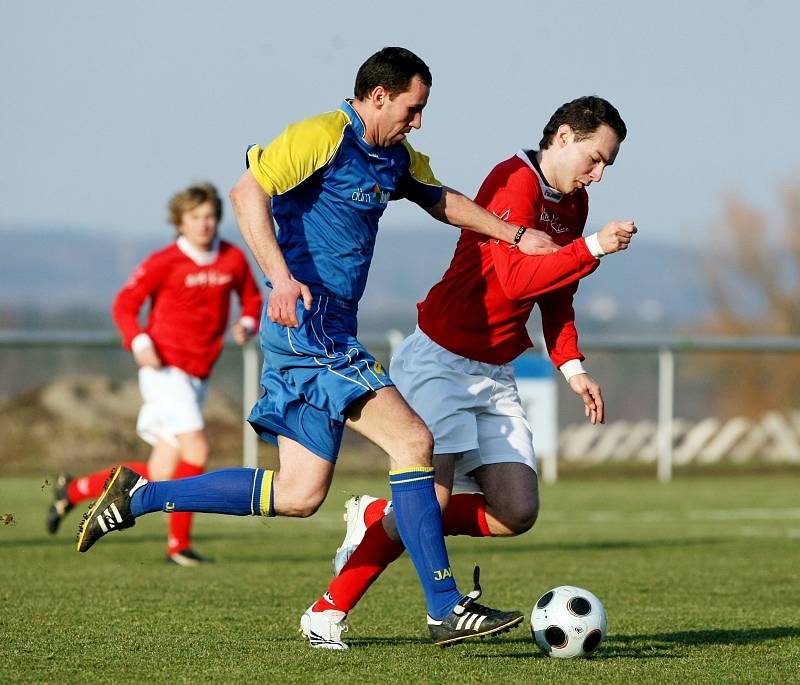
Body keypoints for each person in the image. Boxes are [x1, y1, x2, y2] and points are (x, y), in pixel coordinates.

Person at [75, 47, 560, 647]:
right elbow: (246, 190)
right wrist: (279, 277)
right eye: (414, 108)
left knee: (299, 494)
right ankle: (444, 606)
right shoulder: (324, 135)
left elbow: (441, 199)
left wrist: (514, 234)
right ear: (379, 96)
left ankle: (141, 496)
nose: (419, 121)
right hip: (310, 328)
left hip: (321, 332)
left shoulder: (395, 157)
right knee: (413, 441)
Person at [301, 96, 636, 649]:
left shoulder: (571, 206)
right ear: (565, 137)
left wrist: (572, 366)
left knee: (516, 511)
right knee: (427, 503)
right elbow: (513, 282)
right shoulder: (513, 181)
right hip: (441, 359)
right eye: (595, 159)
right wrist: (594, 246)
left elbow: (555, 294)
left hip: (495, 371)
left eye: (607, 166)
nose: (598, 175)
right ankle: (326, 612)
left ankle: (381, 516)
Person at [48, 182, 262, 566]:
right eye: (195, 217)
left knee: (163, 469)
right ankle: (178, 547)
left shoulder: (230, 258)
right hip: (165, 371)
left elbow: (251, 297)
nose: (204, 224)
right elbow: (125, 304)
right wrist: (139, 341)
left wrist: (248, 321)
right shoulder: (165, 261)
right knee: (197, 449)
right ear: (179, 221)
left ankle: (73, 490)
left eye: (210, 216)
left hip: (199, 375)